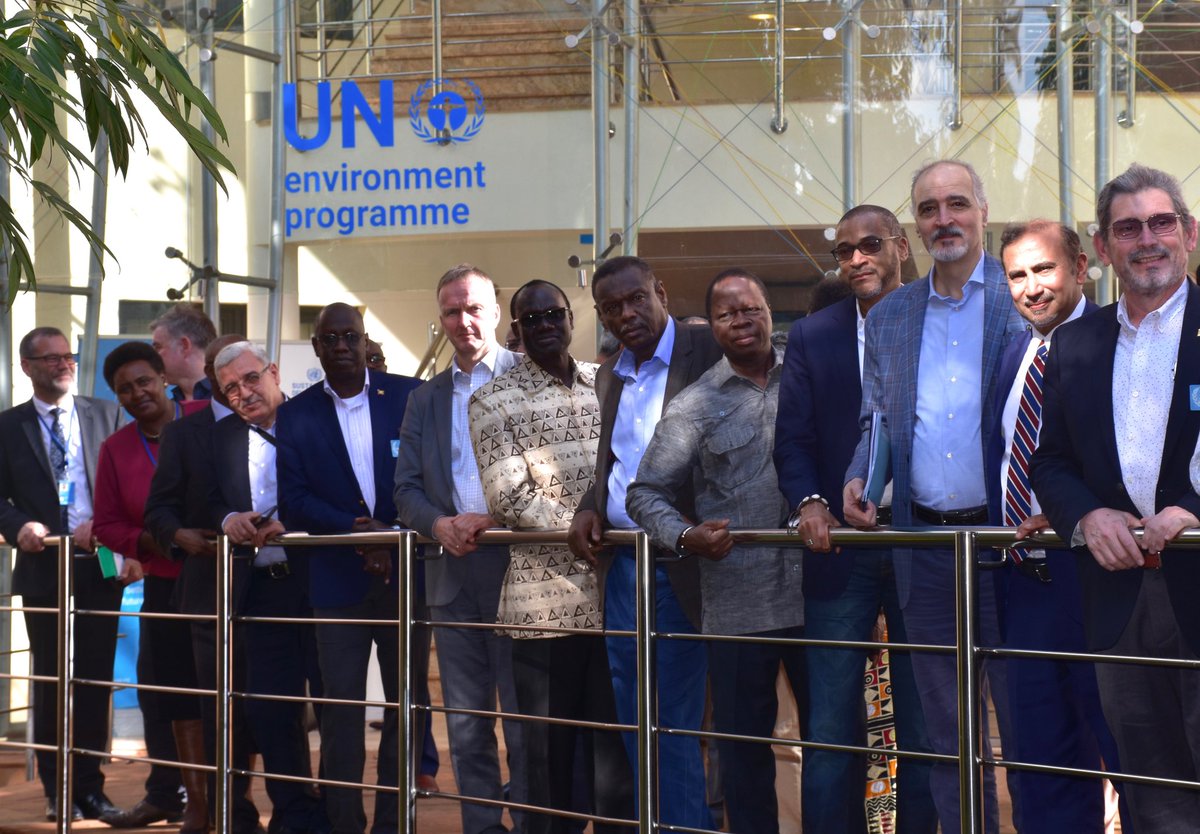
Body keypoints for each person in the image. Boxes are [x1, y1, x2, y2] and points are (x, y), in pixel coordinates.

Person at [842, 159, 1023, 833]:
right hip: (924, 550)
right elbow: (877, 420)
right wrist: (858, 478)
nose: (944, 219)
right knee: (948, 737)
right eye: (928, 209)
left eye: (957, 204)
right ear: (914, 227)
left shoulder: (1021, 295)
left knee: (1026, 723)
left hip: (1010, 547)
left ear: (983, 211)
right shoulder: (890, 316)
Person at [1031, 163, 1200, 831]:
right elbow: (1051, 460)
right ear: (1102, 247)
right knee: (1153, 794)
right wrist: (1085, 515)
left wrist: (1194, 509)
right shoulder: (1075, 343)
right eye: (1128, 229)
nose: (1147, 240)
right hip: (1119, 596)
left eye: (1162, 223)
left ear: (1190, 233)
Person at [774, 206, 937, 834]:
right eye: (844, 251)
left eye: (870, 245)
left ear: (901, 246)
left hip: (924, 540)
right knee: (830, 727)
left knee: (925, 722)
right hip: (839, 549)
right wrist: (810, 501)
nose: (856, 259)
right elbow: (792, 440)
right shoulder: (814, 335)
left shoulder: (937, 316)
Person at [627, 269, 804, 833]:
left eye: (750, 308)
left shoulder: (808, 374)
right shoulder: (694, 405)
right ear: (712, 326)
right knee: (743, 754)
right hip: (737, 607)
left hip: (821, 597)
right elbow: (643, 494)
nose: (741, 320)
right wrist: (685, 536)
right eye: (727, 314)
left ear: (769, 311)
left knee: (836, 742)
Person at [469, 280, 633, 834]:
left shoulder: (606, 382)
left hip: (615, 601)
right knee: (548, 762)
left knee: (616, 760)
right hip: (545, 610)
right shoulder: (493, 399)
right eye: (531, 319)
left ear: (571, 318)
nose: (544, 326)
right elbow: (510, 498)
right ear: (515, 329)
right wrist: (591, 527)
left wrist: (614, 526)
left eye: (553, 315)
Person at [566, 256, 721, 829]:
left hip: (685, 560)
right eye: (611, 307)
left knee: (674, 717)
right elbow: (613, 463)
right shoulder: (609, 374)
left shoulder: (708, 350)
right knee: (635, 715)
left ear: (661, 292)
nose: (626, 314)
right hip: (623, 566)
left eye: (636, 299)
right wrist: (588, 505)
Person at [986, 220, 1128, 833]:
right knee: (1043, 763)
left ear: (1081, 267)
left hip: (1102, 580)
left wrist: (1074, 509)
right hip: (1024, 584)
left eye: (1044, 269)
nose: (1031, 287)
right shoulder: (1013, 354)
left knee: (1128, 752)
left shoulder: (1118, 339)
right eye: (1016, 275)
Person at [276, 303, 422, 834]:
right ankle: (343, 822)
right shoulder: (296, 415)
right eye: (330, 338)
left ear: (365, 341)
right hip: (336, 583)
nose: (341, 345)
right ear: (317, 347)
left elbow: (428, 477)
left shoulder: (408, 396)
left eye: (350, 336)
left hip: (405, 577)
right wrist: (356, 532)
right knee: (340, 712)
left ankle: (393, 823)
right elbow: (294, 501)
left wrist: (389, 534)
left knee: (408, 707)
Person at [394, 264, 527, 834]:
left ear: (496, 311)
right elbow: (404, 490)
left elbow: (560, 477)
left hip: (523, 573)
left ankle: (532, 822)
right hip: (452, 577)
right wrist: (439, 523)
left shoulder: (533, 377)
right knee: (467, 726)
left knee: (524, 722)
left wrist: (498, 518)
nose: (463, 320)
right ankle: (482, 826)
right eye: (452, 311)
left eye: (473, 308)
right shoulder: (425, 398)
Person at [142, 333, 267, 833]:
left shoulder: (281, 419)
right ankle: (230, 814)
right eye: (222, 370)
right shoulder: (185, 433)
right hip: (209, 591)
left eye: (245, 370)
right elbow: (158, 509)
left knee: (272, 709)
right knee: (220, 711)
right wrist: (179, 536)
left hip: (278, 589)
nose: (234, 381)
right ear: (212, 377)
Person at [0, 327, 124, 824]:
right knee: (51, 679)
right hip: (43, 560)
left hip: (101, 559)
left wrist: (110, 525)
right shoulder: (8, 426)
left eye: (67, 356)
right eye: (50, 358)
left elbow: (126, 484)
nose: (63, 364)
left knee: (95, 679)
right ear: (27, 367)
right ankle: (58, 790)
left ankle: (92, 788)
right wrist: (18, 526)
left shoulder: (107, 414)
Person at [211, 340, 329, 834]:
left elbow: (342, 494)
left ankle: (335, 812)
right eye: (230, 389)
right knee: (269, 709)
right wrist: (228, 519)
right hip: (260, 588)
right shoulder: (220, 438)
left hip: (320, 580)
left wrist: (295, 527)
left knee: (333, 704)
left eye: (250, 378)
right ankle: (293, 813)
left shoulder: (316, 419)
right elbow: (204, 499)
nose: (243, 393)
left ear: (274, 373)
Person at [92, 342, 209, 833]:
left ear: (163, 377)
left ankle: (238, 800)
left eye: (143, 381)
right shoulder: (116, 449)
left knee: (231, 689)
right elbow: (106, 525)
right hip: (165, 585)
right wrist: (160, 539)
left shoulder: (208, 417)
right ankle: (187, 800)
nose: (137, 393)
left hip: (224, 579)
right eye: (124, 389)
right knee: (167, 695)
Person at [151, 303, 218, 401]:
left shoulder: (229, 399)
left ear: (184, 346)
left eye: (158, 347)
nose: (153, 356)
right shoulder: (169, 407)